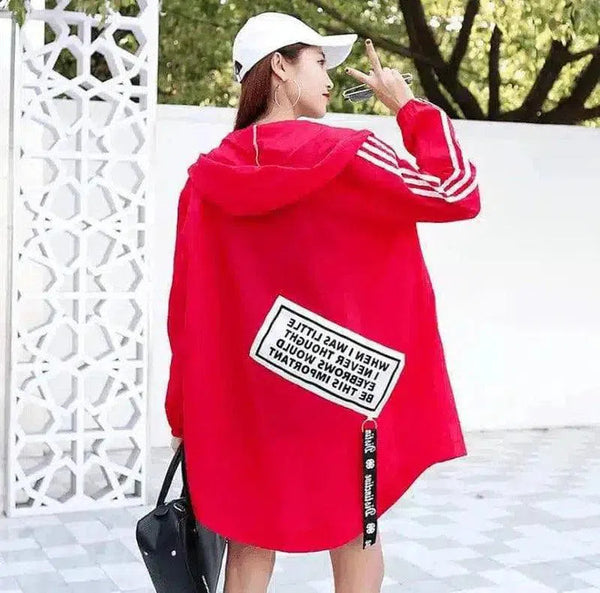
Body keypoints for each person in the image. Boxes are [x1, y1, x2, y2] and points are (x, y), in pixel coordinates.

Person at [165, 11, 481, 593]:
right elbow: (456, 193)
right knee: (357, 534)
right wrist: (408, 108)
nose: (330, 77)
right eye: (318, 61)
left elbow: (184, 310)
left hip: (248, 405)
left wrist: (183, 415)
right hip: (341, 392)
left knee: (249, 546)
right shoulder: (350, 155)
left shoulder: (205, 182)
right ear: (280, 67)